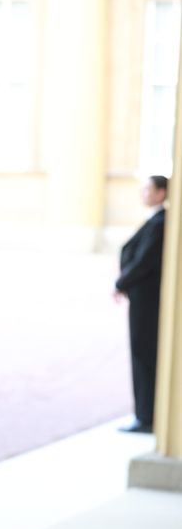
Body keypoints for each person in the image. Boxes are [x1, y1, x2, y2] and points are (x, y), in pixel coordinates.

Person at [114, 175, 168, 433]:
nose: (143, 193)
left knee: (144, 354)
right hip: (143, 298)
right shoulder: (155, 221)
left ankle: (146, 416)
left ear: (161, 193)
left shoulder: (160, 223)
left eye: (148, 189)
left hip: (148, 301)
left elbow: (143, 261)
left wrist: (120, 283)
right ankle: (144, 413)